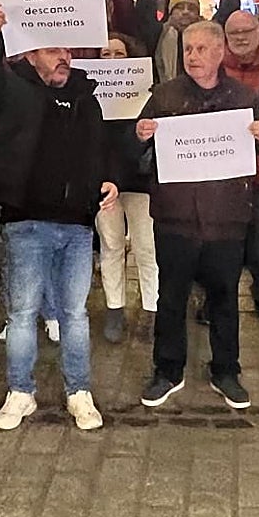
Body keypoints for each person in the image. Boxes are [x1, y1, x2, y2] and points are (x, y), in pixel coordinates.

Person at [0, 2, 117, 432]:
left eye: (66, 49)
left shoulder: (87, 98)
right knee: (22, 313)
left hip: (77, 225)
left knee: (74, 315)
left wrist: (110, 179)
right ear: (31, 55)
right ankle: (20, 392)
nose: (62, 57)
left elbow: (100, 148)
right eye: (52, 50)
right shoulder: (14, 89)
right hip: (27, 221)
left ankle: (79, 392)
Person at [137, 21, 259, 410]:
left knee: (224, 297)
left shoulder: (243, 97)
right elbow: (136, 154)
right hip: (175, 217)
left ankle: (226, 371)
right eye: (187, 49)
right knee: (171, 297)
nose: (192, 56)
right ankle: (167, 370)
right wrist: (140, 135)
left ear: (219, 52)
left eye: (200, 49)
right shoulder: (164, 96)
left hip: (226, 217)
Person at [96, 33, 158, 344]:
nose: (111, 60)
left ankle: (151, 308)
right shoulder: (89, 93)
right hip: (103, 181)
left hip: (139, 179)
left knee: (147, 247)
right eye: (105, 55)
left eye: (118, 54)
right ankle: (114, 307)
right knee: (111, 245)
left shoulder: (147, 94)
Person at [220, 10, 259, 322]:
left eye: (246, 31)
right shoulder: (215, 63)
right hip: (221, 166)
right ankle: (215, 295)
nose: (241, 37)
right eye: (234, 33)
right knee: (219, 236)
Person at [136, 0, 198, 83]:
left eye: (191, 8)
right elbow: (145, 14)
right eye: (179, 7)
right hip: (166, 91)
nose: (186, 12)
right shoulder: (159, 34)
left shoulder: (208, 34)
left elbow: (228, 8)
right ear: (170, 11)